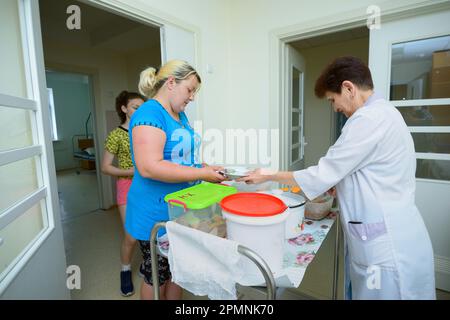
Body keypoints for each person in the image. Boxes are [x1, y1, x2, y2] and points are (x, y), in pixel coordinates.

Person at [239, 56, 436, 300]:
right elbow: (366, 171)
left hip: (386, 248)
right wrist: (340, 185)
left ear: (349, 88)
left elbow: (323, 172)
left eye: (333, 99)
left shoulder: (368, 120)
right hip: (398, 232)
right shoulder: (386, 113)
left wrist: (268, 174)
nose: (335, 108)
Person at [126, 60, 226, 300]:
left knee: (176, 271)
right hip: (154, 213)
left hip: (180, 209)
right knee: (156, 275)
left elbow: (180, 160)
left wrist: (205, 168)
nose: (192, 97)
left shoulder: (180, 115)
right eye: (190, 90)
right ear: (171, 83)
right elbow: (150, 167)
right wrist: (202, 174)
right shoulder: (149, 113)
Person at [101, 90, 145, 296]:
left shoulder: (147, 131)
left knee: (150, 232)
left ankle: (150, 266)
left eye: (142, 107)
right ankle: (125, 270)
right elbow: (105, 167)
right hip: (127, 187)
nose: (140, 110)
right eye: (136, 106)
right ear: (124, 109)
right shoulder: (116, 135)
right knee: (131, 236)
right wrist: (130, 171)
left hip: (149, 187)